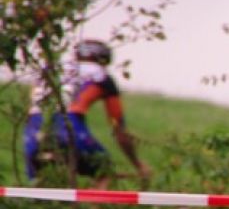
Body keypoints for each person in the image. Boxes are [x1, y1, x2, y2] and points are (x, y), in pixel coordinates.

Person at [23, 39, 152, 186]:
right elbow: (118, 130)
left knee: (42, 189)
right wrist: (137, 164)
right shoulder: (102, 77)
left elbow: (30, 109)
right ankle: (95, 200)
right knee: (104, 170)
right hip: (69, 129)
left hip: (33, 132)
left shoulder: (49, 70)